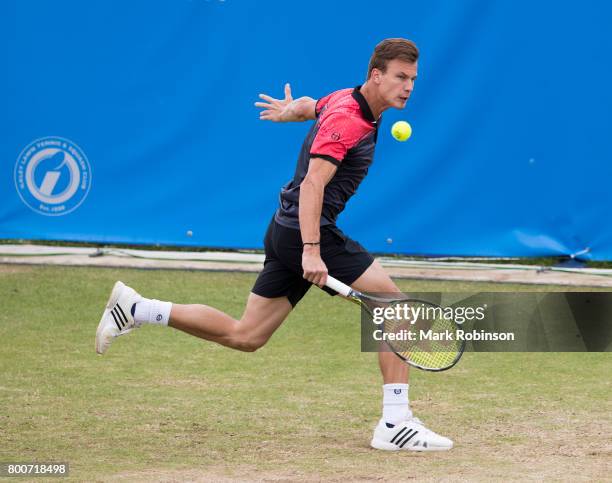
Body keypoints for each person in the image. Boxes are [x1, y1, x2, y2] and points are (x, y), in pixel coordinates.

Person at [95, 38, 453, 452]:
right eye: (400, 77)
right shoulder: (350, 121)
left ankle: (137, 308)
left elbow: (311, 105)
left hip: (285, 229)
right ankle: (394, 424)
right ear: (376, 75)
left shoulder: (347, 100)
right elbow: (313, 184)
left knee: (246, 334)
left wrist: (289, 112)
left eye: (412, 79)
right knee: (398, 307)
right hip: (305, 230)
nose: (408, 87)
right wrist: (313, 250)